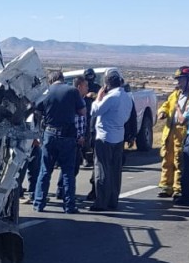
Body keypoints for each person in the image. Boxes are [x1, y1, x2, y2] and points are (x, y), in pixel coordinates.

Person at [33, 69, 86, 213]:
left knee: (45, 170)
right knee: (68, 171)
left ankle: (39, 203)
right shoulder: (72, 91)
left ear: (51, 80)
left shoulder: (46, 91)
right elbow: (82, 112)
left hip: (49, 134)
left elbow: (36, 113)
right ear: (62, 78)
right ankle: (69, 206)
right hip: (67, 136)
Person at [88, 69, 133, 211]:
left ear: (106, 84)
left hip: (105, 137)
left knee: (102, 170)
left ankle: (101, 202)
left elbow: (95, 111)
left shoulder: (111, 97)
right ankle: (113, 200)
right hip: (118, 136)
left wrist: (98, 98)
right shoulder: (126, 97)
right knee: (115, 171)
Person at [157, 66, 189, 198]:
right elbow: (167, 104)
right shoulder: (175, 94)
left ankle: (178, 189)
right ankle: (165, 187)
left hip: (182, 131)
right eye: (178, 80)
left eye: (181, 79)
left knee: (179, 160)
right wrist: (162, 111)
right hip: (170, 130)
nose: (178, 82)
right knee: (167, 158)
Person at [56, 75, 88, 199]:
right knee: (69, 167)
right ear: (79, 86)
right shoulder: (73, 100)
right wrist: (78, 136)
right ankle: (63, 191)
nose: (87, 88)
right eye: (85, 86)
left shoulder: (82, 99)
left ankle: (64, 190)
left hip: (77, 138)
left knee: (74, 167)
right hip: (72, 137)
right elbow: (73, 121)